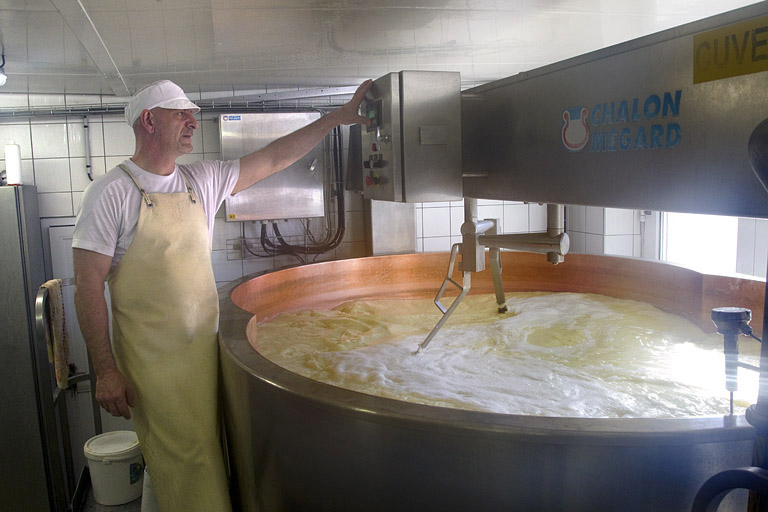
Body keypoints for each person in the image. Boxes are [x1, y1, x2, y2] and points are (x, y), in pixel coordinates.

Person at [72, 79, 372, 511]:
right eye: (181, 113)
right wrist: (105, 370)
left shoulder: (200, 180)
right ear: (149, 121)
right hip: (152, 363)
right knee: (187, 459)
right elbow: (86, 288)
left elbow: (272, 158)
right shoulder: (109, 193)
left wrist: (336, 118)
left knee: (193, 458)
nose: (193, 121)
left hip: (203, 351)